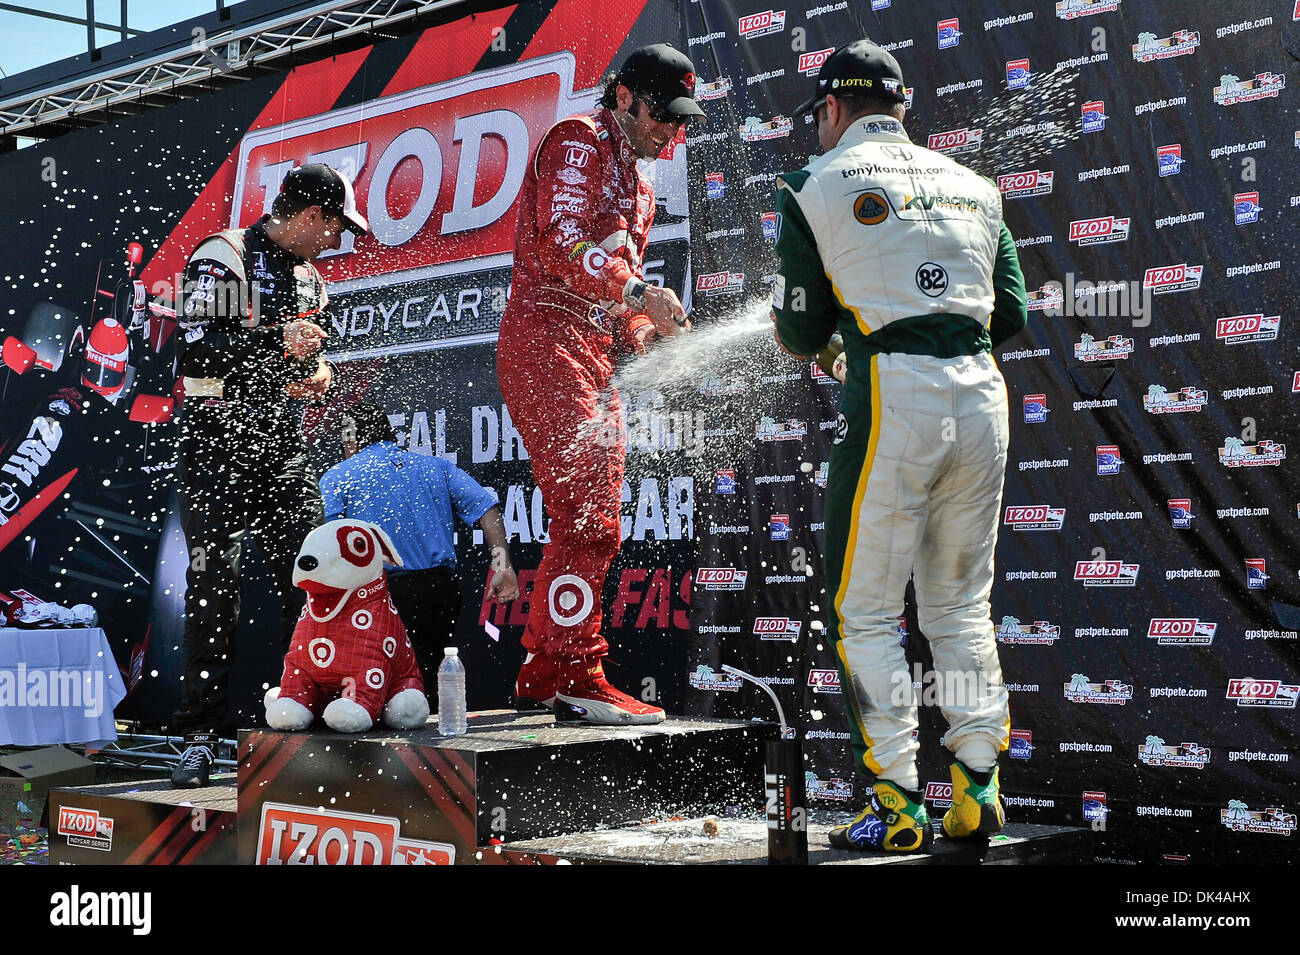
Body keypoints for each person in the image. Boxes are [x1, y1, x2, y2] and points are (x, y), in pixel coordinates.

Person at [771, 41, 1028, 852]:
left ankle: (896, 805)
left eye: (818, 116)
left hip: (892, 395)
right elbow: (1009, 312)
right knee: (959, 605)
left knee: (868, 609)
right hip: (981, 396)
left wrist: (837, 344)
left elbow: (798, 326)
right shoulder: (975, 185)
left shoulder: (811, 185)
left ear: (833, 110)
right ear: (901, 108)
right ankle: (978, 788)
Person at [496, 44, 702, 725]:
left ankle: (543, 669)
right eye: (664, 117)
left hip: (590, 350)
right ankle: (576, 672)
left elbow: (618, 304)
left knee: (597, 521)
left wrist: (652, 334)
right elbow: (559, 245)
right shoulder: (579, 141)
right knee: (589, 515)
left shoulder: (641, 189)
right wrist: (642, 291)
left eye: (682, 121)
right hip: (544, 340)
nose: (673, 132)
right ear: (623, 99)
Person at [169, 163, 369, 787]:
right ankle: (198, 738)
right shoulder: (224, 256)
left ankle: (305, 719)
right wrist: (278, 343)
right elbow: (197, 349)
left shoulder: (311, 281)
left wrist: (320, 374)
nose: (338, 243)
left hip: (282, 450)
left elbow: (317, 354)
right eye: (337, 228)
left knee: (312, 581)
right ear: (313, 216)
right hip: (215, 449)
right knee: (212, 593)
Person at [319, 401, 520, 687]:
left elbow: (331, 539)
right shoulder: (435, 467)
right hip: (439, 591)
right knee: (430, 675)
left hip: (378, 594)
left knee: (380, 683)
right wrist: (502, 565)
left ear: (351, 437)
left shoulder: (338, 476)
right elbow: (487, 509)